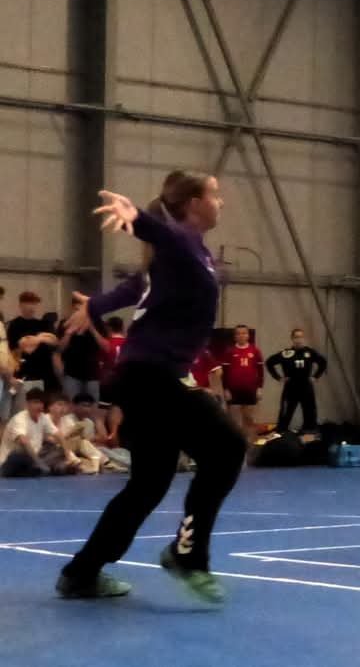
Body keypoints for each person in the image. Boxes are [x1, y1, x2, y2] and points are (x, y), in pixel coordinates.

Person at [56, 172, 246, 603]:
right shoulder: (180, 243)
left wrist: (96, 306)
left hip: (142, 378)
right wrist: (138, 219)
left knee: (148, 484)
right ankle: (188, 554)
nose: (221, 202)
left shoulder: (188, 255)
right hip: (153, 377)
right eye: (215, 195)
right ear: (194, 203)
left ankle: (81, 573)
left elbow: (137, 285)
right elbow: (166, 237)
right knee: (228, 448)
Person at [266, 329, 327, 433]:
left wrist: (315, 376)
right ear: (292, 339)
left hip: (306, 388)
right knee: (285, 414)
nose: (298, 340)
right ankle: (281, 435)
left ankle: (308, 435)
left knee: (310, 414)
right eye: (296, 337)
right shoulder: (286, 353)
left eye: (300, 337)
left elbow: (323, 362)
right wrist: (278, 377)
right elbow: (269, 362)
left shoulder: (309, 352)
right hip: (291, 388)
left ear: (303, 338)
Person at [0, 388, 58, 477]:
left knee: (56, 449)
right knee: (18, 455)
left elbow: (58, 434)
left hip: (32, 459)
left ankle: (42, 469)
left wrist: (69, 455)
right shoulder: (19, 418)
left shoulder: (43, 418)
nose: (39, 406)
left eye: (41, 403)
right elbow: (24, 442)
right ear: (27, 404)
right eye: (36, 402)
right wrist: (38, 461)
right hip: (10, 462)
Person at [222, 325, 264, 447]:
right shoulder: (230, 351)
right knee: (234, 420)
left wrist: (259, 388)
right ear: (235, 336)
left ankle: (251, 444)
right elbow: (224, 373)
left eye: (244, 333)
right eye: (238, 333)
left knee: (249, 418)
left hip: (250, 390)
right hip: (233, 390)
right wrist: (226, 389)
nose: (241, 335)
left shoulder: (255, 351)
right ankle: (235, 445)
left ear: (248, 335)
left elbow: (260, 372)